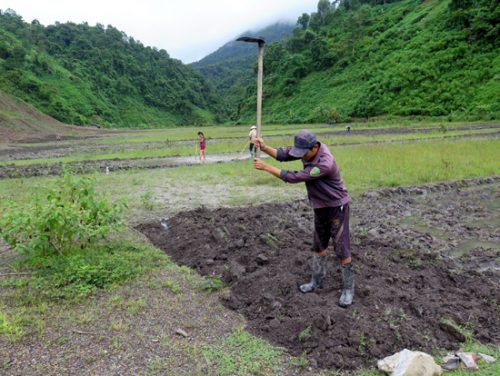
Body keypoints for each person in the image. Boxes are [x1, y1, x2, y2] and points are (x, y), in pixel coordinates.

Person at [253, 130, 354, 307]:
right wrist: (264, 147)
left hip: (336, 207)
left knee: (341, 247)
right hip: (320, 206)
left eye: (304, 153)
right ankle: (317, 281)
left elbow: (296, 177)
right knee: (319, 245)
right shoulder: (306, 148)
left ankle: (348, 289)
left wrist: (267, 167)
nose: (301, 156)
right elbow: (284, 155)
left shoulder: (324, 163)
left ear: (315, 147)